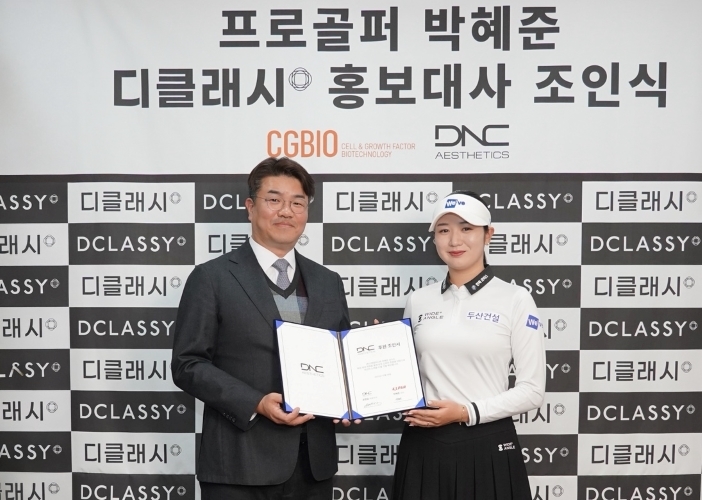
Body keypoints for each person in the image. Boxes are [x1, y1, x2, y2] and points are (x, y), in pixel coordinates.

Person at [171, 157, 351, 500]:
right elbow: (187, 364)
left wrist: (357, 385)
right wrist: (256, 403)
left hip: (313, 468)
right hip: (239, 466)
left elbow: (341, 361)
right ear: (250, 208)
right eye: (274, 200)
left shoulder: (329, 282)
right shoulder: (212, 277)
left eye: (297, 203)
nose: (286, 211)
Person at [392, 191, 546, 500]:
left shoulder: (516, 299)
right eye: (444, 230)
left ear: (488, 234)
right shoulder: (418, 300)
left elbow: (532, 391)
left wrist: (465, 412)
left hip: (487, 444)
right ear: (434, 239)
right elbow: (405, 378)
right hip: (422, 443)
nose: (454, 240)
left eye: (466, 228)